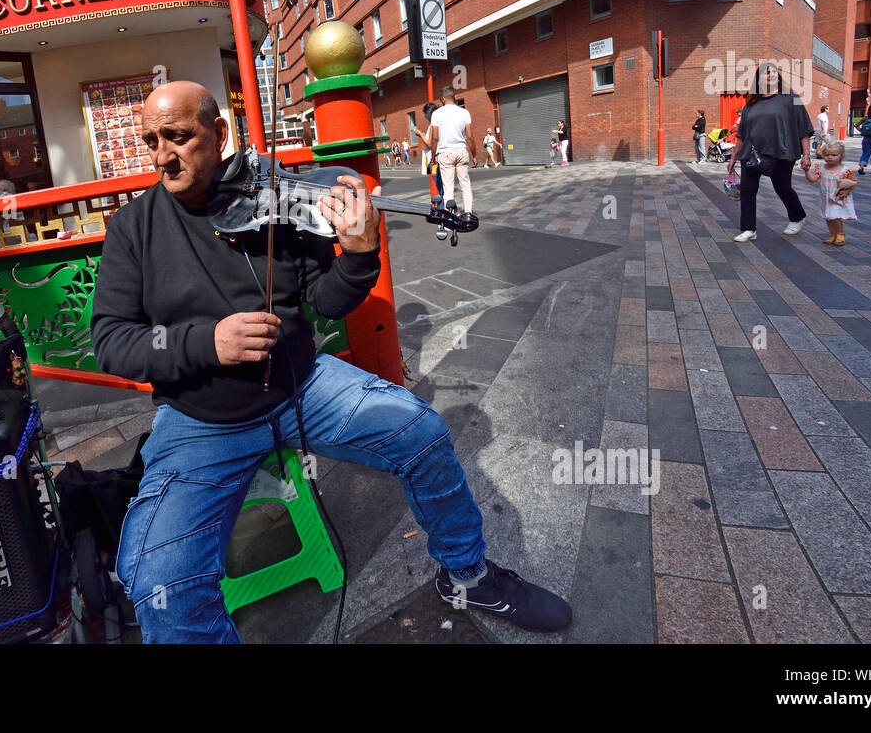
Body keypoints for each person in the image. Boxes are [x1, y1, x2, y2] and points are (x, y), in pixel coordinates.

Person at [88, 80, 572, 642]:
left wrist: (361, 256)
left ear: (219, 134)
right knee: (160, 584)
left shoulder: (275, 196)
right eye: (152, 140)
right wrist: (206, 342)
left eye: (177, 137)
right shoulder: (133, 228)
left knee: (422, 432)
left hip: (302, 389)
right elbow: (113, 341)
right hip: (200, 420)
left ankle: (467, 574)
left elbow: (324, 299)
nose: (162, 155)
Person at [726, 61, 813, 242]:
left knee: (782, 187)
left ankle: (797, 217)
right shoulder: (751, 103)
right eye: (766, 73)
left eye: (774, 72)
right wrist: (734, 156)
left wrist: (806, 155)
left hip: (781, 152)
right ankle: (749, 229)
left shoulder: (791, 97)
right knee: (748, 191)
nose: (771, 75)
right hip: (751, 153)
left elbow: (803, 127)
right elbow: (742, 133)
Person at [417, 87, 476, 214]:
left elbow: (435, 139)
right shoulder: (464, 112)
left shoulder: (437, 114)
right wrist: (474, 155)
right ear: (454, 97)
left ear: (443, 99)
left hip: (445, 153)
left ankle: (449, 219)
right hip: (461, 151)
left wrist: (433, 157)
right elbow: (470, 137)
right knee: (465, 185)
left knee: (448, 188)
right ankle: (469, 215)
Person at [802, 139, 856, 246]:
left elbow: (853, 182)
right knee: (828, 217)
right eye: (826, 155)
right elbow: (813, 179)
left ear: (841, 155)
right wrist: (807, 171)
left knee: (835, 216)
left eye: (833, 155)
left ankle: (840, 233)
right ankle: (832, 234)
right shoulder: (821, 168)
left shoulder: (845, 170)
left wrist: (847, 190)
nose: (829, 157)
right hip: (825, 198)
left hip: (837, 197)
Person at [419, 100, 444, 203]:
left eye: (425, 114)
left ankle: (444, 211)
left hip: (434, 159)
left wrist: (420, 135)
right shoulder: (441, 123)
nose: (425, 116)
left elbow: (430, 144)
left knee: (440, 187)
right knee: (445, 186)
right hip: (441, 157)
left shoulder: (433, 124)